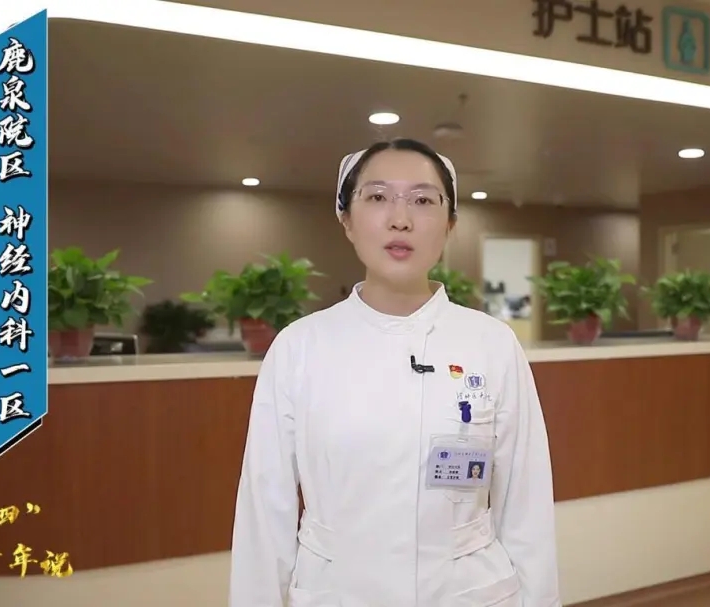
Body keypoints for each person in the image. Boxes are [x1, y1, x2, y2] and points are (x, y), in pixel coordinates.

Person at [229, 138, 560, 606]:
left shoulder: (492, 344)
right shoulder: (299, 348)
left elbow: (526, 505)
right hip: (339, 592)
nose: (400, 218)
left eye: (423, 200)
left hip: (466, 591)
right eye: (378, 197)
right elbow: (265, 512)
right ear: (346, 219)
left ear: (450, 223)